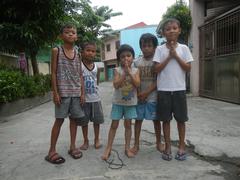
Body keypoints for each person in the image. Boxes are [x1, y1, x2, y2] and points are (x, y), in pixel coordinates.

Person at [153, 18, 193, 161]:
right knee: (166, 120)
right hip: (163, 90)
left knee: (181, 120)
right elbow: (156, 69)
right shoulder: (159, 49)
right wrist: (169, 57)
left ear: (179, 30)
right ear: (163, 33)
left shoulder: (184, 48)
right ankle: (168, 147)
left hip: (179, 90)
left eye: (174, 28)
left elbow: (188, 68)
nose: (171, 31)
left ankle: (181, 147)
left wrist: (175, 55)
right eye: (168, 29)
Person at [45, 23, 85, 164]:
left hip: (75, 92)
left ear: (76, 36)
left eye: (73, 32)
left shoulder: (78, 53)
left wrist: (82, 93)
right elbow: (54, 72)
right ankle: (51, 151)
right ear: (61, 36)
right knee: (59, 120)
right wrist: (55, 93)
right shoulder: (57, 50)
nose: (71, 34)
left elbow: (80, 74)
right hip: (62, 93)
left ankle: (72, 147)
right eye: (67, 32)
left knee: (74, 120)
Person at [101, 44, 140, 160]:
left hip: (130, 103)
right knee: (114, 125)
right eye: (123, 57)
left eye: (128, 56)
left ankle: (127, 148)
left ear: (133, 57)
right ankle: (108, 148)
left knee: (128, 126)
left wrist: (130, 73)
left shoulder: (136, 70)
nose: (126, 59)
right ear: (119, 59)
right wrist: (124, 73)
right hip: (118, 103)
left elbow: (137, 84)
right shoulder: (117, 70)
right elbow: (116, 85)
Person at [130, 33, 165, 155]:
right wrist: (140, 93)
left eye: (149, 45)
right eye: (144, 45)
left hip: (153, 97)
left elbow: (158, 80)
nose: (146, 48)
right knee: (138, 121)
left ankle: (159, 143)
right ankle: (136, 145)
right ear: (140, 47)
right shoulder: (136, 62)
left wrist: (146, 92)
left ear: (155, 47)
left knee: (156, 121)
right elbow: (134, 80)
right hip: (139, 98)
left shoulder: (157, 62)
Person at [78, 42, 104, 150]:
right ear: (82, 52)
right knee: (84, 122)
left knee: (96, 121)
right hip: (84, 100)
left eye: (93, 51)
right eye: (88, 50)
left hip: (95, 99)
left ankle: (96, 139)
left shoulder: (96, 67)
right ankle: (85, 140)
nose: (90, 53)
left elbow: (96, 81)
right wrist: (81, 94)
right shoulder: (79, 66)